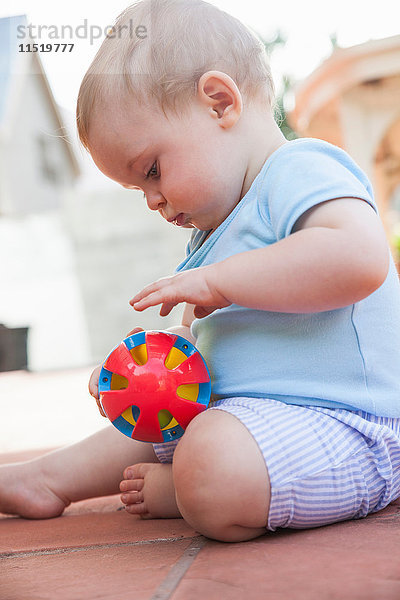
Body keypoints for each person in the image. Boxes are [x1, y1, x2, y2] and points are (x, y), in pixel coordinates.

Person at [1, 0, 400, 543]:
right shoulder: (213, 233)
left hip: (349, 426)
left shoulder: (300, 169)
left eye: (152, 171)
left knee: (208, 455)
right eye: (138, 189)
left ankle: (185, 489)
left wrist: (217, 281)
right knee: (169, 420)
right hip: (250, 419)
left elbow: (360, 259)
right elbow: (212, 348)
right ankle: (48, 478)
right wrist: (145, 374)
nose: (152, 201)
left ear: (219, 103)